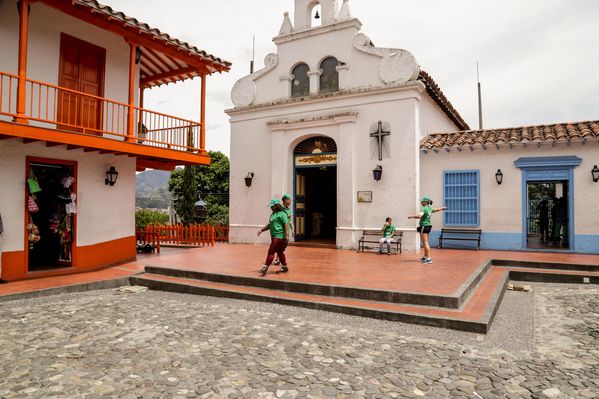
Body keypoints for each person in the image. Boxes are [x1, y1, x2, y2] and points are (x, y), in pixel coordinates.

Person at [408, 196, 446, 264]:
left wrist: (411, 216)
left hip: (424, 226)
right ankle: (425, 256)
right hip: (428, 226)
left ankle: (429, 258)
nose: (421, 202)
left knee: (425, 243)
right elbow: (435, 210)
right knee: (426, 242)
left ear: (425, 202)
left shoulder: (424, 209)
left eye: (422, 201)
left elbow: (419, 216)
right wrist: (442, 208)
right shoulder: (429, 208)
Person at [257, 199, 290, 276]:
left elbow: (285, 224)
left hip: (279, 236)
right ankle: (284, 266)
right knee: (279, 252)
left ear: (276, 206)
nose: (271, 207)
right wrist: (261, 230)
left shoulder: (282, 214)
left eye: (272, 206)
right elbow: (269, 225)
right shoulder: (273, 214)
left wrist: (286, 236)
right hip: (274, 236)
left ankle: (265, 268)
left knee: (271, 251)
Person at [274, 194, 294, 266]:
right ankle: (278, 259)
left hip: (287, 231)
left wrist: (292, 229)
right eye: (289, 200)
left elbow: (290, 221)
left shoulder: (288, 210)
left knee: (283, 246)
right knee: (280, 245)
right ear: (285, 200)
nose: (290, 201)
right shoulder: (279, 208)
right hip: (280, 231)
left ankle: (278, 258)